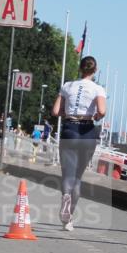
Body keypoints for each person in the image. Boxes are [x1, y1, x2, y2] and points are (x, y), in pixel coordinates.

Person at [51, 56, 106, 232]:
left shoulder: (67, 86)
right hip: (87, 131)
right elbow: (102, 111)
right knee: (78, 177)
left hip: (70, 128)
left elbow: (55, 111)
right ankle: (69, 219)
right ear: (94, 70)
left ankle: (65, 198)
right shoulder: (98, 89)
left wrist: (66, 113)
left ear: (80, 68)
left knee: (68, 174)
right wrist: (95, 116)